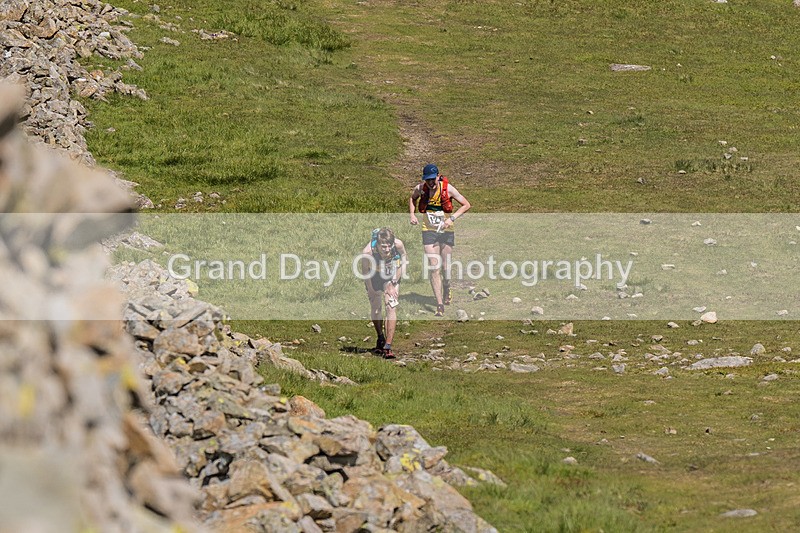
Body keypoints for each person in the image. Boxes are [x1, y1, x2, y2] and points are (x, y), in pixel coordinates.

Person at [409, 163, 471, 317]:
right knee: (433, 266)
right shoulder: (420, 189)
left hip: (446, 231)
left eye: (432, 179)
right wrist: (412, 214)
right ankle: (439, 304)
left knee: (445, 266)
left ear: (438, 176)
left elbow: (466, 204)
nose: (430, 183)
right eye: (427, 180)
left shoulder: (448, 189)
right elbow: (412, 199)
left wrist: (452, 219)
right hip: (428, 231)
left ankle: (447, 286)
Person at [360, 227, 407, 359]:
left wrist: (393, 282)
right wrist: (370, 289)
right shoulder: (368, 252)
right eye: (383, 247)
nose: (386, 250)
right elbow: (364, 272)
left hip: (391, 273)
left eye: (388, 246)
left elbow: (403, 260)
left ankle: (388, 346)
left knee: (391, 306)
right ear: (378, 245)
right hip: (373, 274)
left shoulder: (398, 245)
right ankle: (380, 337)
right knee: (376, 308)